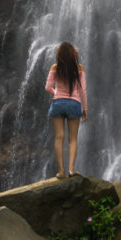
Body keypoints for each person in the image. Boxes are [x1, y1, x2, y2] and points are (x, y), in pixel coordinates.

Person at [45, 41, 88, 179]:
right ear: (73, 55)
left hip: (58, 103)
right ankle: (71, 169)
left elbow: (47, 87)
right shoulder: (79, 68)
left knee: (59, 137)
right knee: (73, 139)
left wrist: (56, 92)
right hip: (74, 104)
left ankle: (61, 172)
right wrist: (85, 108)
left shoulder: (55, 67)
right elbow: (82, 91)